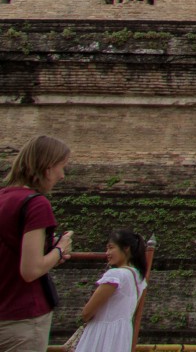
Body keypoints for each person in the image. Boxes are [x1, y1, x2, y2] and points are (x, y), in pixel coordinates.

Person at [0, 135, 74, 352]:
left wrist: (46, 254)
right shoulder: (36, 204)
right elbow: (30, 271)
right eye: (62, 167)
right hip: (23, 319)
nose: (62, 175)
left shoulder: (3, 198)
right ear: (48, 168)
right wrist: (60, 250)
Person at [74, 230, 148, 352]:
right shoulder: (138, 278)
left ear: (126, 248)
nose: (107, 253)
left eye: (111, 248)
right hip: (122, 336)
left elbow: (87, 313)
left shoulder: (116, 274)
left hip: (102, 334)